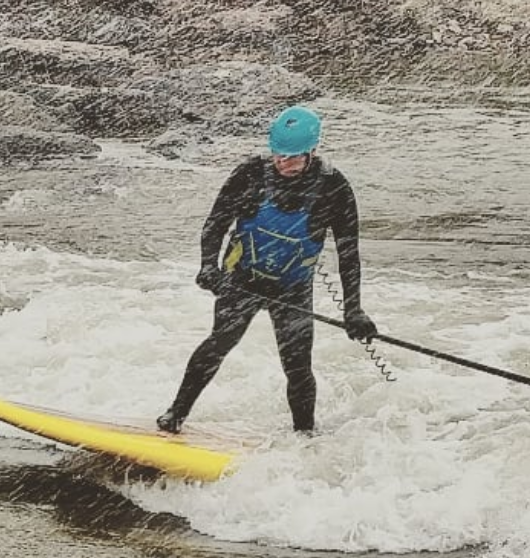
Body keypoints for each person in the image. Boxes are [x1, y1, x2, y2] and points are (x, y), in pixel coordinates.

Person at [157, 105, 378, 434]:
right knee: (219, 344)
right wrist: (208, 266)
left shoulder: (334, 189)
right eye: (278, 155)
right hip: (241, 281)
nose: (283, 163)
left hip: (293, 288)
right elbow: (215, 223)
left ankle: (305, 437)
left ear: (312, 151)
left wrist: (353, 310)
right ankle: (175, 415)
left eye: (292, 157)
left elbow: (349, 254)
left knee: (298, 367)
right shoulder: (249, 174)